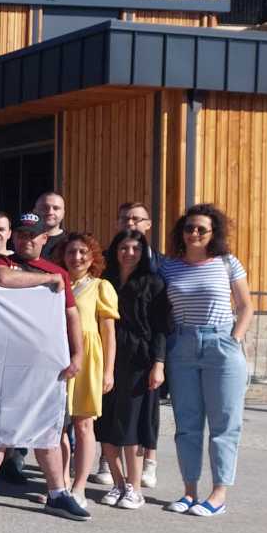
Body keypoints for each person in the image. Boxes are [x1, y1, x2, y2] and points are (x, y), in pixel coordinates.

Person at [0, 214, 85, 521]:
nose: (26, 240)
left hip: (46, 364)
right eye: (21, 234)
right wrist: (46, 280)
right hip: (5, 362)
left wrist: (78, 354)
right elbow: (2, 279)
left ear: (44, 238)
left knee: (47, 429)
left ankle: (57, 494)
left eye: (33, 235)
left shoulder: (60, 272)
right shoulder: (2, 261)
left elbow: (71, 315)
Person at [160, 203, 253, 517]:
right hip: (182, 347)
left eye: (202, 229)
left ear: (214, 233)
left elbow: (246, 306)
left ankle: (218, 494)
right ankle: (189, 492)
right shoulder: (169, 267)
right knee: (186, 424)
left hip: (221, 346)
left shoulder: (227, 262)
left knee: (224, 424)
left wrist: (234, 339)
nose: (195, 233)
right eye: (189, 228)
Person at [98, 230, 171, 510]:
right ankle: (118, 483)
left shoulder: (154, 283)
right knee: (105, 424)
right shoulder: (105, 281)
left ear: (143, 253)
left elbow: (161, 329)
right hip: (106, 358)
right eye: (124, 248)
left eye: (136, 248)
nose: (129, 253)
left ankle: (135, 488)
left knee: (132, 427)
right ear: (115, 251)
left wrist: (159, 364)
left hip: (140, 361)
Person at [59, 232, 117, 509]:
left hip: (88, 359)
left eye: (83, 252)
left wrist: (108, 371)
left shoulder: (100, 286)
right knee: (57, 425)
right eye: (71, 252)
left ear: (92, 257)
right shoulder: (56, 284)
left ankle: (79, 486)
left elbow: (108, 332)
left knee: (83, 424)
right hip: (59, 356)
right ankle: (59, 483)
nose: (77, 257)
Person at [113, 202, 163, 487]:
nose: (131, 223)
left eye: (137, 218)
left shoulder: (158, 269)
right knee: (113, 410)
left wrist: (159, 361)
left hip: (142, 354)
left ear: (148, 224)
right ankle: (110, 463)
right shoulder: (108, 269)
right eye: (125, 218)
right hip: (113, 351)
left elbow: (161, 323)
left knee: (143, 411)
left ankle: (148, 463)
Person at [35, 191, 67, 262]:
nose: (50, 212)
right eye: (44, 207)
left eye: (56, 208)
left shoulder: (70, 242)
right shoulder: (24, 239)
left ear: (63, 213)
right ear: (35, 211)